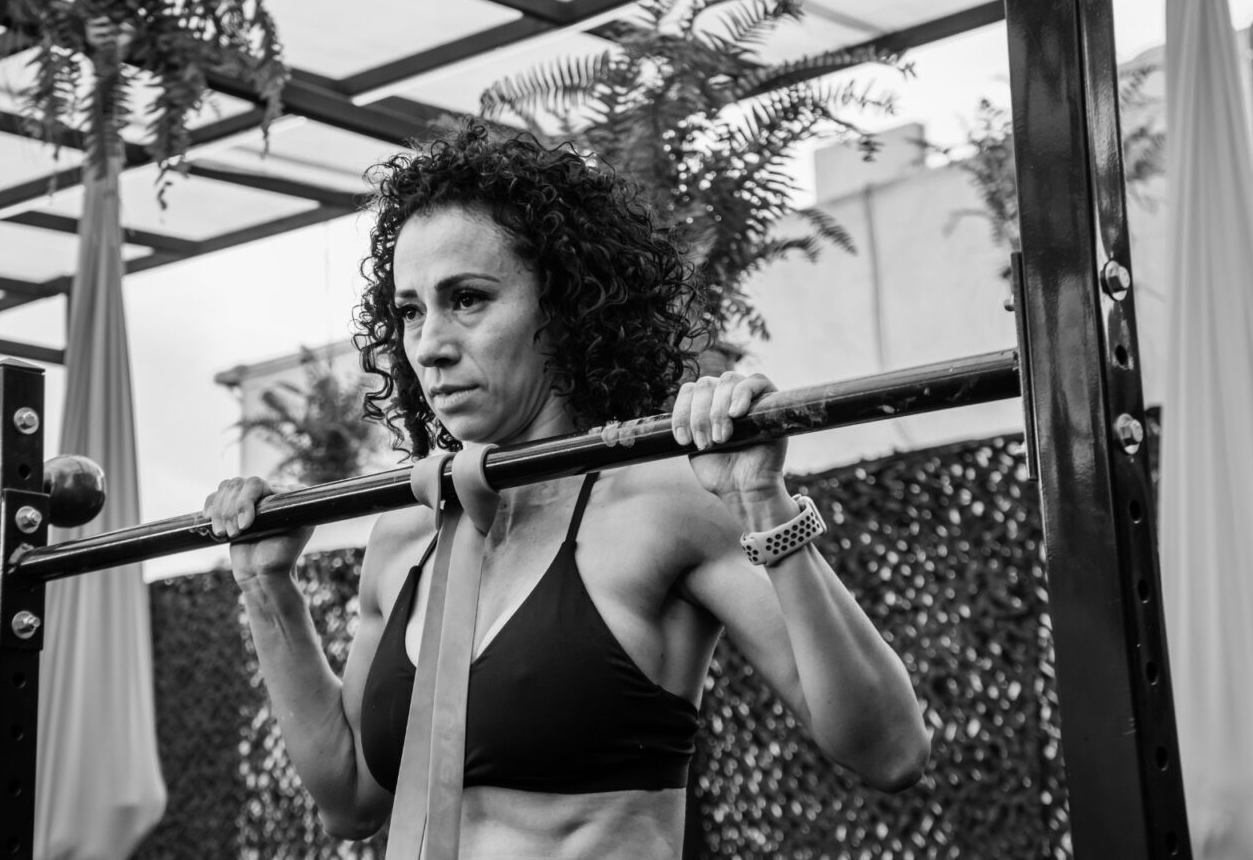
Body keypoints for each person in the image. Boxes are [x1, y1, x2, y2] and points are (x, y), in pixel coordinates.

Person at [203, 122, 929, 859]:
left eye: (468, 299)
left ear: (562, 305)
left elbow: (891, 749)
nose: (429, 344)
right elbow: (351, 799)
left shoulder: (661, 506)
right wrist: (267, 589)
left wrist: (764, 503)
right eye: (412, 310)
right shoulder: (406, 537)